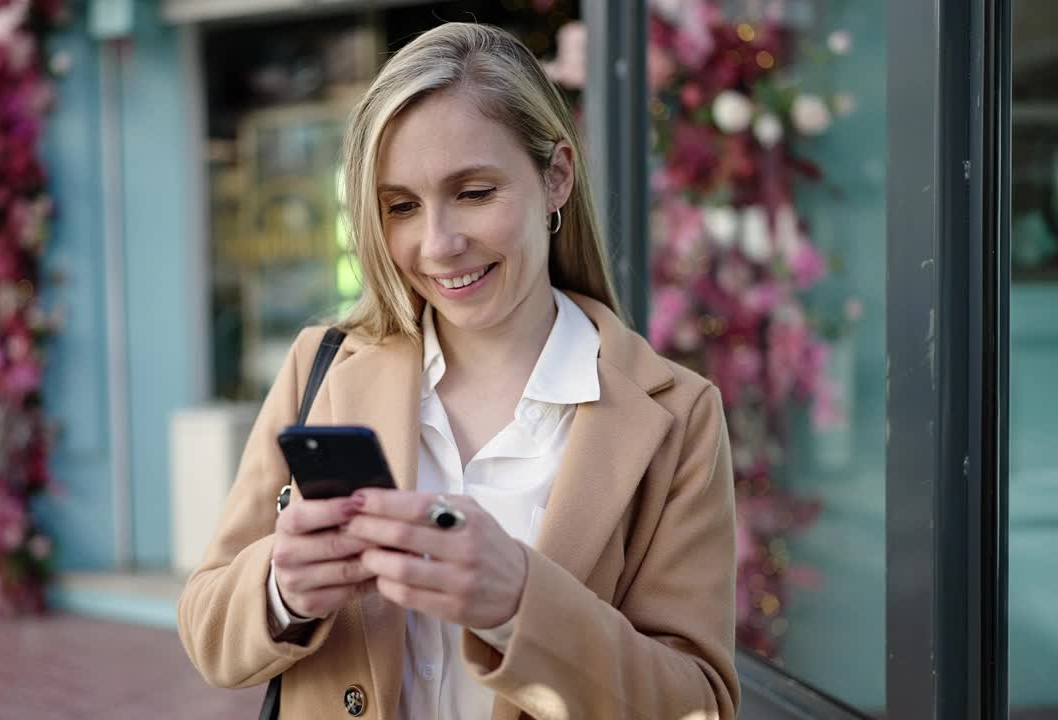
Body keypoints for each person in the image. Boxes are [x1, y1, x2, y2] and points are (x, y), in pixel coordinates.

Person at [178, 22, 739, 720]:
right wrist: (280, 589)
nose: (438, 245)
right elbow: (207, 630)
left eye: (473, 193)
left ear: (556, 175)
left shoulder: (677, 415)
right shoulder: (321, 365)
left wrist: (519, 604)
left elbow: (699, 705)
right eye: (402, 207)